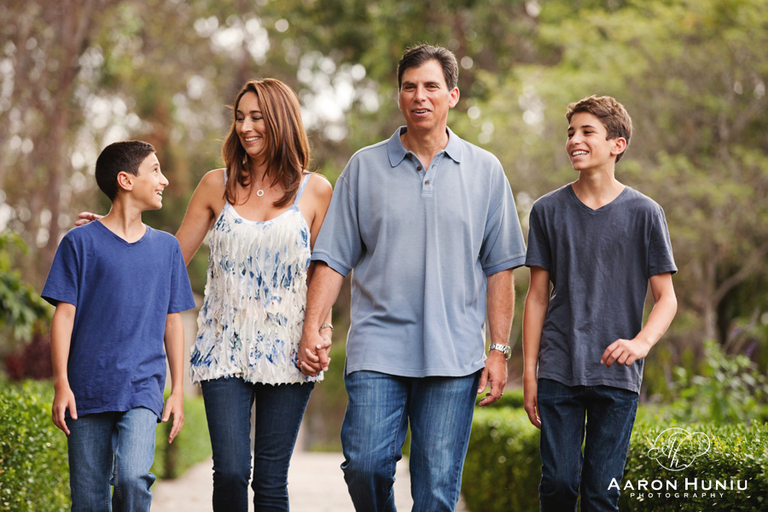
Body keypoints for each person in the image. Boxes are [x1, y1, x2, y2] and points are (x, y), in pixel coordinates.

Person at [77, 79, 333, 511]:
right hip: (222, 348)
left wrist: (320, 331)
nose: (245, 127)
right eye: (239, 117)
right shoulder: (218, 184)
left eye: (256, 117)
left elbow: (323, 274)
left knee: (271, 482)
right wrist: (108, 233)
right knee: (231, 471)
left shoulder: (317, 190)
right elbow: (168, 260)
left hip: (289, 351)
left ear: (282, 120)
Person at [297, 44, 526, 511]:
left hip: (454, 355)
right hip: (378, 348)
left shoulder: (485, 170)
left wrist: (499, 350)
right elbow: (333, 258)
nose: (419, 96)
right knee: (364, 464)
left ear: (452, 95)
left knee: (437, 489)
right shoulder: (363, 167)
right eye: (409, 87)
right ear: (399, 96)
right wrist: (311, 326)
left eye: (431, 87)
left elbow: (500, 269)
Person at [522, 95, 678, 511]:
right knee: (557, 483)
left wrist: (641, 343)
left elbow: (666, 299)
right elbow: (537, 297)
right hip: (559, 367)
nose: (574, 139)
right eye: (571, 132)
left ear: (617, 144)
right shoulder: (547, 211)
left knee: (601, 494)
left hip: (618, 376)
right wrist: (529, 372)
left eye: (587, 131)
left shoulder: (646, 213)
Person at [43, 141, 196, 511]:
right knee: (89, 500)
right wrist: (62, 383)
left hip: (142, 388)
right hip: (86, 390)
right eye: (155, 170)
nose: (163, 180)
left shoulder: (167, 249)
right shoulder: (79, 243)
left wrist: (177, 390)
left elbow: (172, 321)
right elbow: (63, 315)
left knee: (132, 478)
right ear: (125, 180)